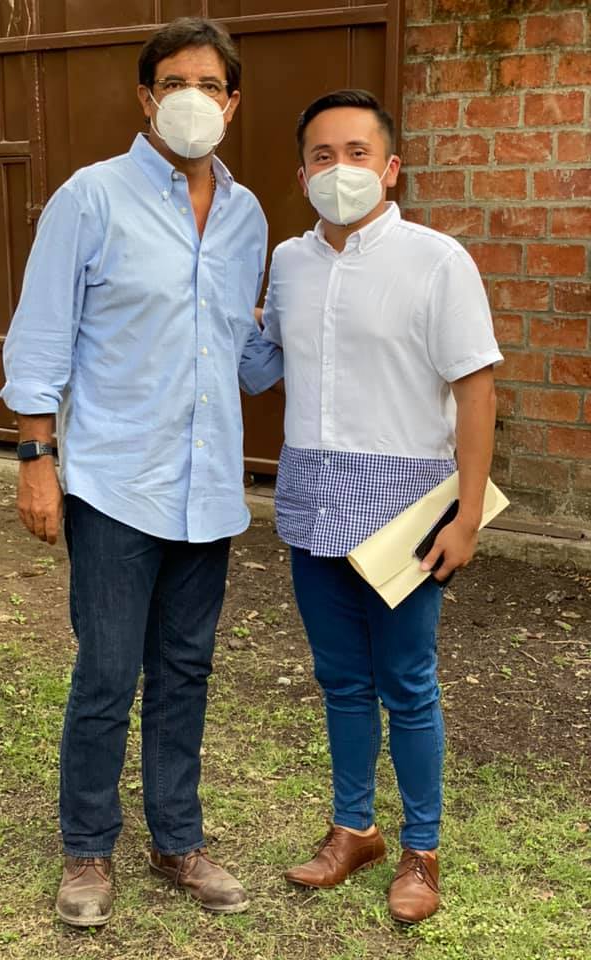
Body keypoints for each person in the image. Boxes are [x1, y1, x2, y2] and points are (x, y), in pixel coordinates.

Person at [0, 17, 281, 927]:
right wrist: (36, 458)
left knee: (185, 669)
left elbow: (243, 355)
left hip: (208, 487)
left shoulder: (246, 216)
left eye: (211, 84)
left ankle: (176, 841)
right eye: (174, 82)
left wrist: (322, 316)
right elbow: (42, 335)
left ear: (233, 104)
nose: (193, 98)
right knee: (108, 674)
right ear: (145, 97)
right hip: (116, 482)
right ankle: (87, 850)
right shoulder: (92, 198)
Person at [260, 89, 502, 923]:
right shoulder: (289, 263)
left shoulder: (437, 261)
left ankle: (421, 850)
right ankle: (353, 829)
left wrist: (466, 515)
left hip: (408, 509)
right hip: (313, 500)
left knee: (408, 683)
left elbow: (476, 390)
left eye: (357, 153)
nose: (341, 169)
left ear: (391, 168)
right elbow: (266, 359)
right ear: (303, 175)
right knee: (340, 680)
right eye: (322, 156)